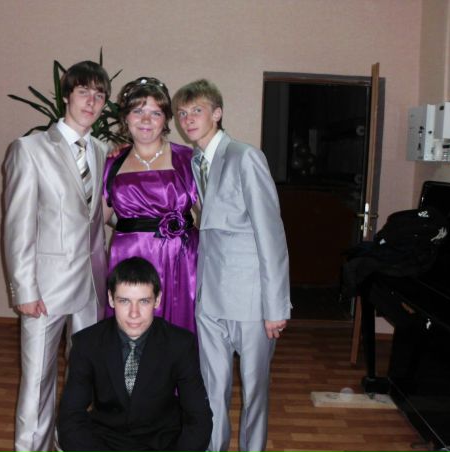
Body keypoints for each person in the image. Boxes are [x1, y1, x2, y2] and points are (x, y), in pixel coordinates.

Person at [172, 79, 291, 452]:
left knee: (255, 393)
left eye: (197, 110)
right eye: (182, 113)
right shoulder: (195, 162)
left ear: (217, 113)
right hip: (210, 300)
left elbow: (271, 234)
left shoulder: (245, 157)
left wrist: (276, 306)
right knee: (211, 390)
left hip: (251, 301)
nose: (188, 119)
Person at [3, 60, 111, 452]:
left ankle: (72, 442)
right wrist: (24, 289)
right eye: (83, 92)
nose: (91, 101)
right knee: (37, 382)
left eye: (99, 95)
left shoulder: (101, 151)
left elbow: (99, 215)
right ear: (66, 96)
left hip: (91, 287)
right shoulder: (29, 149)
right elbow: (18, 225)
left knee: (85, 377)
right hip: (45, 288)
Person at [58, 257, 213, 452]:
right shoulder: (87, 343)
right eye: (124, 301)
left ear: (157, 300)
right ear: (111, 299)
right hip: (106, 442)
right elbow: (70, 417)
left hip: (163, 442)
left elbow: (199, 417)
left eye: (144, 301)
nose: (134, 313)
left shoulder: (180, 344)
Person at [102, 76, 199, 333]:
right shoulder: (112, 162)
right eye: (138, 111)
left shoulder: (187, 159)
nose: (146, 120)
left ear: (165, 120)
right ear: (126, 117)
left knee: (177, 333)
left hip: (179, 260)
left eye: (155, 113)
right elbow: (96, 218)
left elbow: (214, 214)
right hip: (129, 258)